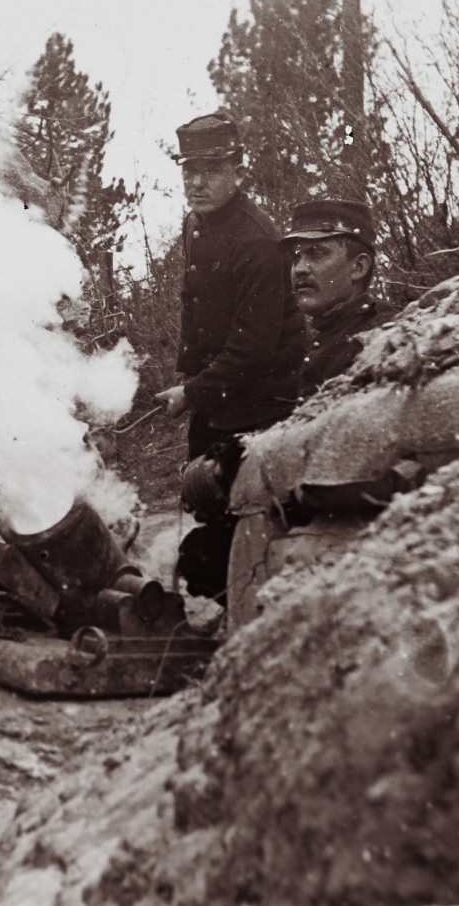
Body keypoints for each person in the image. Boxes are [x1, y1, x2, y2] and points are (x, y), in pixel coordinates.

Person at [154, 111, 304, 604]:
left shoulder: (257, 240)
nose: (195, 183)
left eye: (210, 170)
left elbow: (253, 349)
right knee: (208, 518)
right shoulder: (200, 224)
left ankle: (243, 631)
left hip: (257, 410)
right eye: (188, 170)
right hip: (219, 403)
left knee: (239, 531)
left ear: (238, 170)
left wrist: (191, 391)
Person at [281, 198, 396, 394]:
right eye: (296, 257)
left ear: (358, 267)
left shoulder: (379, 337)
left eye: (316, 254)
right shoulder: (323, 335)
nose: (299, 269)